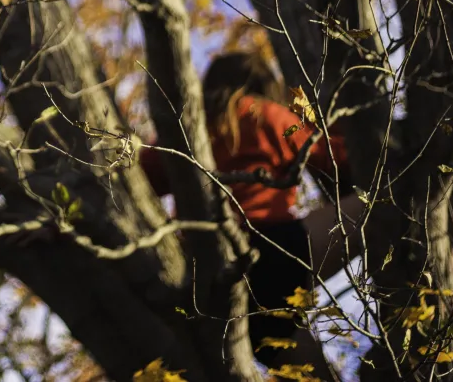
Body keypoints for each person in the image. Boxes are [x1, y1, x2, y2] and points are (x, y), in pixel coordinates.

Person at [139, 52, 361, 374]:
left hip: (212, 276)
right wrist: (342, 123)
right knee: (387, 204)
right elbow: (331, 154)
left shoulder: (183, 130)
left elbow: (140, 176)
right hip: (273, 247)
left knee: (308, 373)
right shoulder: (265, 114)